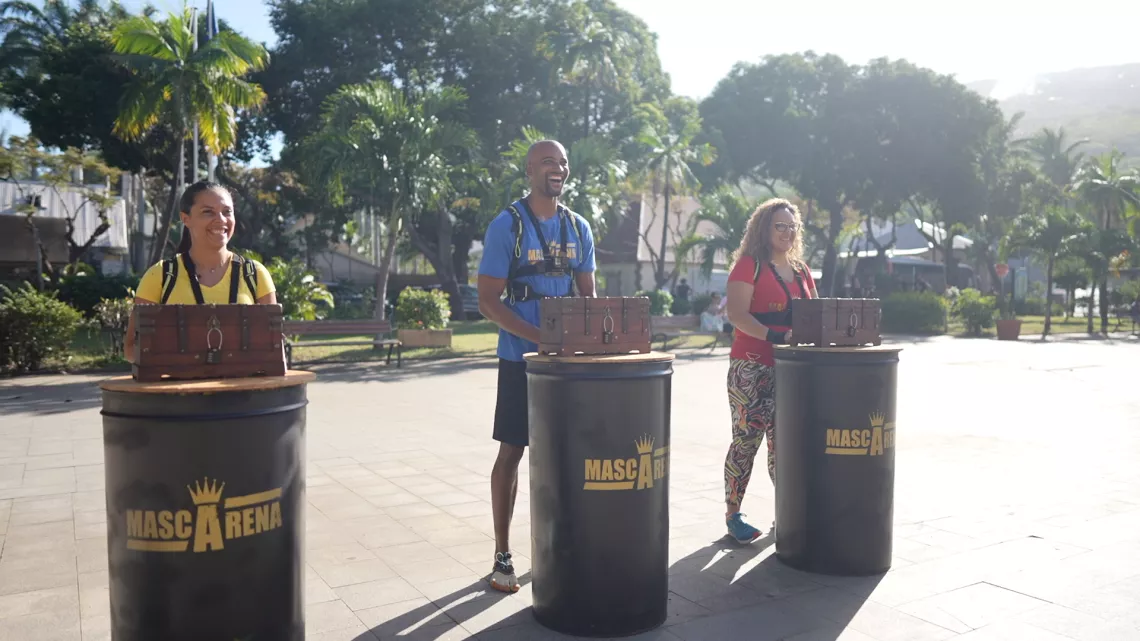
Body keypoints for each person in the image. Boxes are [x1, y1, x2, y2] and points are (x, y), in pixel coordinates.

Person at [476, 139, 596, 592]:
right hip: (520, 359)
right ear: (529, 170)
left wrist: (600, 342)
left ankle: (563, 545)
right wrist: (541, 339)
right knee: (513, 451)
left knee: (570, 451)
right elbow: (488, 302)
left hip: (568, 363)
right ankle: (502, 555)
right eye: (548, 162)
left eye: (563, 162)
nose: (558, 168)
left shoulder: (578, 226)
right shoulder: (508, 225)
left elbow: (589, 297)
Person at [721, 198, 817, 544]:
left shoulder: (803, 271)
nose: (788, 233)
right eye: (780, 226)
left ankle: (788, 511)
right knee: (747, 441)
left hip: (792, 371)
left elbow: (814, 316)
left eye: (793, 227)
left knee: (786, 443)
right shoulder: (750, 265)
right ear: (765, 228)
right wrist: (776, 335)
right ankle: (734, 515)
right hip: (752, 366)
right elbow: (737, 314)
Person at [124, 181, 277, 362]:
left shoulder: (255, 274)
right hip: (179, 388)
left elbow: (273, 346)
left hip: (241, 389)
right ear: (185, 218)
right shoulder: (159, 275)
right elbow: (131, 348)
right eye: (208, 212)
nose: (220, 219)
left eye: (227, 212)